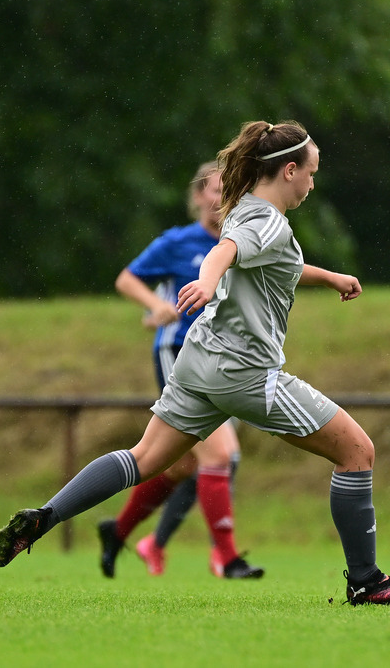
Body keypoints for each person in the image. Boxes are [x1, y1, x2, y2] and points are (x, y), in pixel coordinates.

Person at [0, 120, 390, 605]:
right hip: (246, 372)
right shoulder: (266, 221)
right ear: (289, 169)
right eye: (311, 173)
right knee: (357, 452)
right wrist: (209, 279)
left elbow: (273, 262)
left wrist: (330, 277)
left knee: (143, 459)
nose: (313, 184)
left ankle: (44, 517)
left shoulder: (241, 209)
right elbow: (226, 253)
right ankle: (366, 581)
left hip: (198, 363)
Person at [99, 161, 262, 580]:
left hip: (223, 361)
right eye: (212, 190)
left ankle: (120, 532)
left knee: (182, 465)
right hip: (179, 353)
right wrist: (156, 306)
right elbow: (127, 279)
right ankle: (225, 557)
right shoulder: (179, 242)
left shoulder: (241, 241)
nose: (219, 197)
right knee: (222, 454)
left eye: (229, 190)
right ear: (197, 198)